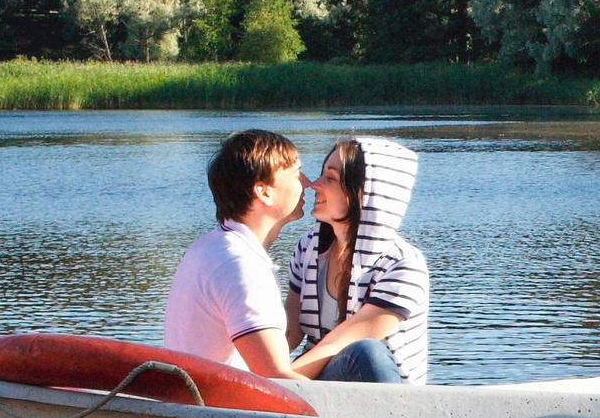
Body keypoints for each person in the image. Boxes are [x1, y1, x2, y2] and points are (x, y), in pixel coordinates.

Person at [162, 129, 315, 381]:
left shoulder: (212, 247)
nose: (307, 183)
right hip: (224, 412)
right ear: (264, 192)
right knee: (362, 355)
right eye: (296, 174)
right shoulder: (239, 264)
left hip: (203, 401)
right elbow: (275, 375)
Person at [285, 136, 430, 384]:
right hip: (318, 385)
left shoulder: (403, 265)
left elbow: (343, 342)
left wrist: (273, 384)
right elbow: (289, 331)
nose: (314, 185)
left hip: (390, 400)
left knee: (366, 352)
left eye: (329, 178)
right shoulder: (308, 248)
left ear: (364, 193)